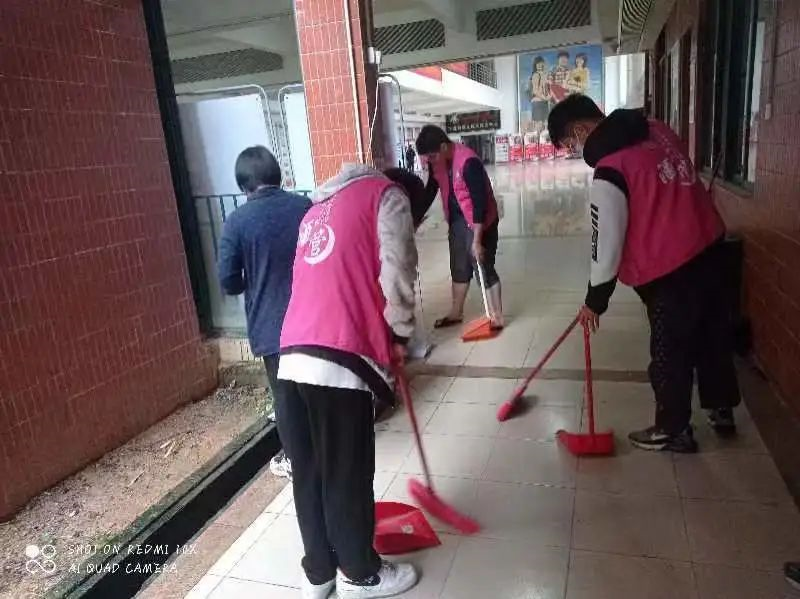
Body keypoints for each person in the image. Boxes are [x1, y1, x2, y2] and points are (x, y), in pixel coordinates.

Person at [547, 94, 741, 453]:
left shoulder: (610, 170)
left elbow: (605, 243)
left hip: (669, 268)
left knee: (670, 350)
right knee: (713, 333)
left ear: (580, 130)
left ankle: (673, 429)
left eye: (570, 143)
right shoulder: (658, 130)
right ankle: (721, 408)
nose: (575, 150)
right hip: (711, 245)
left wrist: (595, 301)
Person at [277, 163, 419, 598]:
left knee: (309, 471)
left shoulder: (317, 207)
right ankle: (359, 573)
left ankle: (319, 574)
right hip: (339, 353)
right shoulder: (387, 196)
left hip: (291, 353)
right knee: (347, 470)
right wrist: (400, 334)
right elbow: (398, 270)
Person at [217, 146, 312, 479]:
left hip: (273, 326)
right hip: (314, 318)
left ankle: (297, 461)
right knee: (317, 388)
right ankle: (329, 451)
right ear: (278, 175)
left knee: (286, 397)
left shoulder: (237, 222)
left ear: (243, 185)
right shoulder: (304, 207)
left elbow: (228, 280)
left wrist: (254, 279)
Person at [415, 125, 504, 329]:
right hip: (457, 221)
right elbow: (430, 191)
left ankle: (497, 316)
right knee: (459, 266)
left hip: (481, 221)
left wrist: (477, 240)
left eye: (432, 156)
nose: (430, 161)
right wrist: (415, 217)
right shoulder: (437, 163)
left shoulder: (468, 161)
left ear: (443, 147)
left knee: (483, 266)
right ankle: (456, 313)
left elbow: (480, 203)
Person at [529, 56, 550, 132]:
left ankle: (542, 139)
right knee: (539, 125)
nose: (540, 65)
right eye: (538, 64)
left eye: (541, 63)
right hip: (537, 102)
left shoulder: (544, 75)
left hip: (543, 102)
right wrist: (545, 98)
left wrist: (548, 97)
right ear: (535, 65)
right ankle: (536, 139)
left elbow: (546, 88)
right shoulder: (535, 75)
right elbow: (535, 91)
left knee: (545, 124)